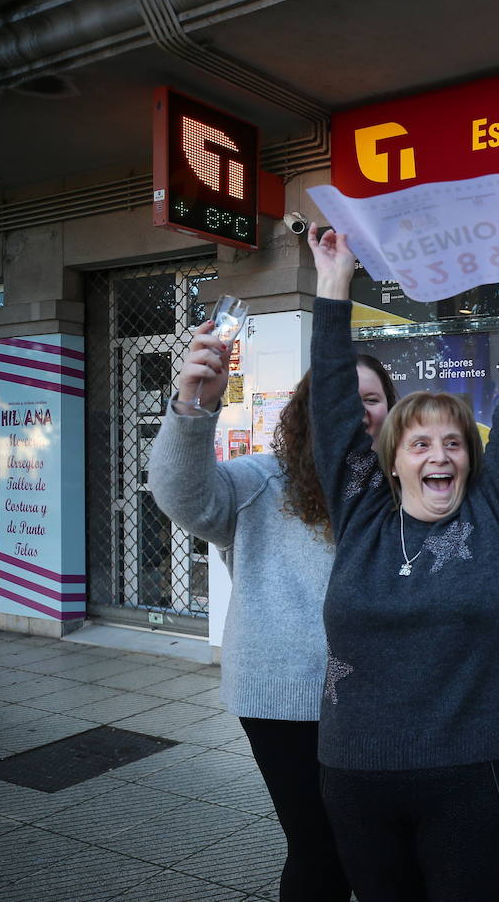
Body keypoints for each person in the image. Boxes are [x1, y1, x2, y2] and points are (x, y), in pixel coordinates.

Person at [304, 209, 499, 901]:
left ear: (471, 456)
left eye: (454, 443)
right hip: (356, 772)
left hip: (475, 774)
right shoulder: (361, 514)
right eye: (419, 443)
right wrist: (333, 285)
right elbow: (332, 404)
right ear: (393, 459)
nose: (439, 455)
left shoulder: (494, 515)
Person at [150, 332, 397, 902]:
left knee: (374, 846)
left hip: (381, 701)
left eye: (370, 398)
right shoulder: (262, 480)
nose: (356, 411)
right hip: (287, 700)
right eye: (339, 396)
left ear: (391, 409)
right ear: (308, 409)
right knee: (318, 847)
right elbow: (179, 494)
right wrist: (194, 405)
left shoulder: (403, 484)